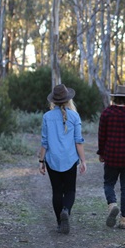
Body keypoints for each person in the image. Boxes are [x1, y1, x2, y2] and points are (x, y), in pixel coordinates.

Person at [39, 84, 87, 234]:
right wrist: (83, 160)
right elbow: (78, 141)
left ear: (53, 100)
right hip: (70, 159)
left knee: (57, 192)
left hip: (52, 160)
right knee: (70, 190)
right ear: (68, 100)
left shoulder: (47, 117)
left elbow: (44, 142)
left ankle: (60, 224)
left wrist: (41, 161)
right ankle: (66, 209)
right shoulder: (74, 116)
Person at [97, 85, 125, 229]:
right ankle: (124, 220)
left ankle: (112, 206)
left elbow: (101, 136)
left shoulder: (106, 113)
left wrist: (101, 153)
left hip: (111, 157)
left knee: (109, 184)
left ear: (115, 98)